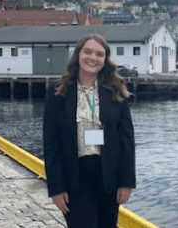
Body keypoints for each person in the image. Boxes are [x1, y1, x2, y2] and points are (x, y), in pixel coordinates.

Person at [43, 34, 136, 227]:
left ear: (105, 60)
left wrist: (126, 182)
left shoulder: (116, 90)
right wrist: (56, 188)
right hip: (74, 176)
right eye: (88, 51)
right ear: (78, 54)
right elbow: (51, 143)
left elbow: (127, 141)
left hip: (108, 177)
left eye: (99, 54)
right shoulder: (59, 91)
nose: (93, 58)